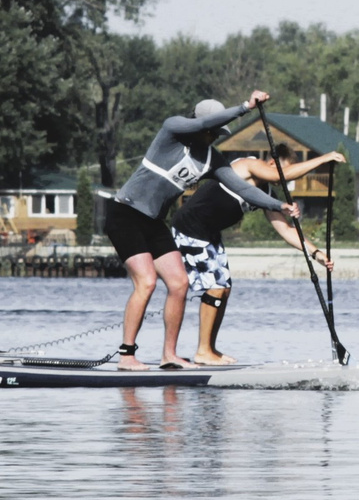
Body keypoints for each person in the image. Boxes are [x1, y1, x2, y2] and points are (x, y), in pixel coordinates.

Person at [106, 92, 291, 369]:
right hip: (126, 214)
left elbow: (243, 189)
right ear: (200, 125)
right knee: (146, 282)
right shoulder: (172, 131)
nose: (214, 136)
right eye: (212, 131)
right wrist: (245, 107)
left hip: (154, 222)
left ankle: (169, 355)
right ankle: (127, 355)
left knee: (180, 284)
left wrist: (279, 204)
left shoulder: (211, 161)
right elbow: (202, 123)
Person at [173, 148, 342, 365]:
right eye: (284, 171)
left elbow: (287, 231)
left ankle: (209, 349)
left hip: (209, 234)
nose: (282, 181)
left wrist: (316, 253)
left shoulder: (267, 194)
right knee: (215, 288)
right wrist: (325, 158)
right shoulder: (247, 165)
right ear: (272, 163)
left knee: (224, 289)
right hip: (189, 227)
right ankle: (203, 351)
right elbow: (281, 175)